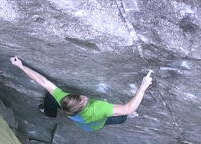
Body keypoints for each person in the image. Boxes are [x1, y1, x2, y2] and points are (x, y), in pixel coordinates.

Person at [10, 55, 153, 131]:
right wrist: (143, 87)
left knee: (50, 96)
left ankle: (49, 113)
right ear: (82, 106)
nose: (84, 97)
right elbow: (128, 108)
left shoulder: (64, 100)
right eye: (83, 101)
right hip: (96, 123)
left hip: (82, 124)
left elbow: (43, 81)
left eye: (79, 97)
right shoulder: (97, 109)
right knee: (122, 117)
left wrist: (21, 66)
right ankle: (50, 112)